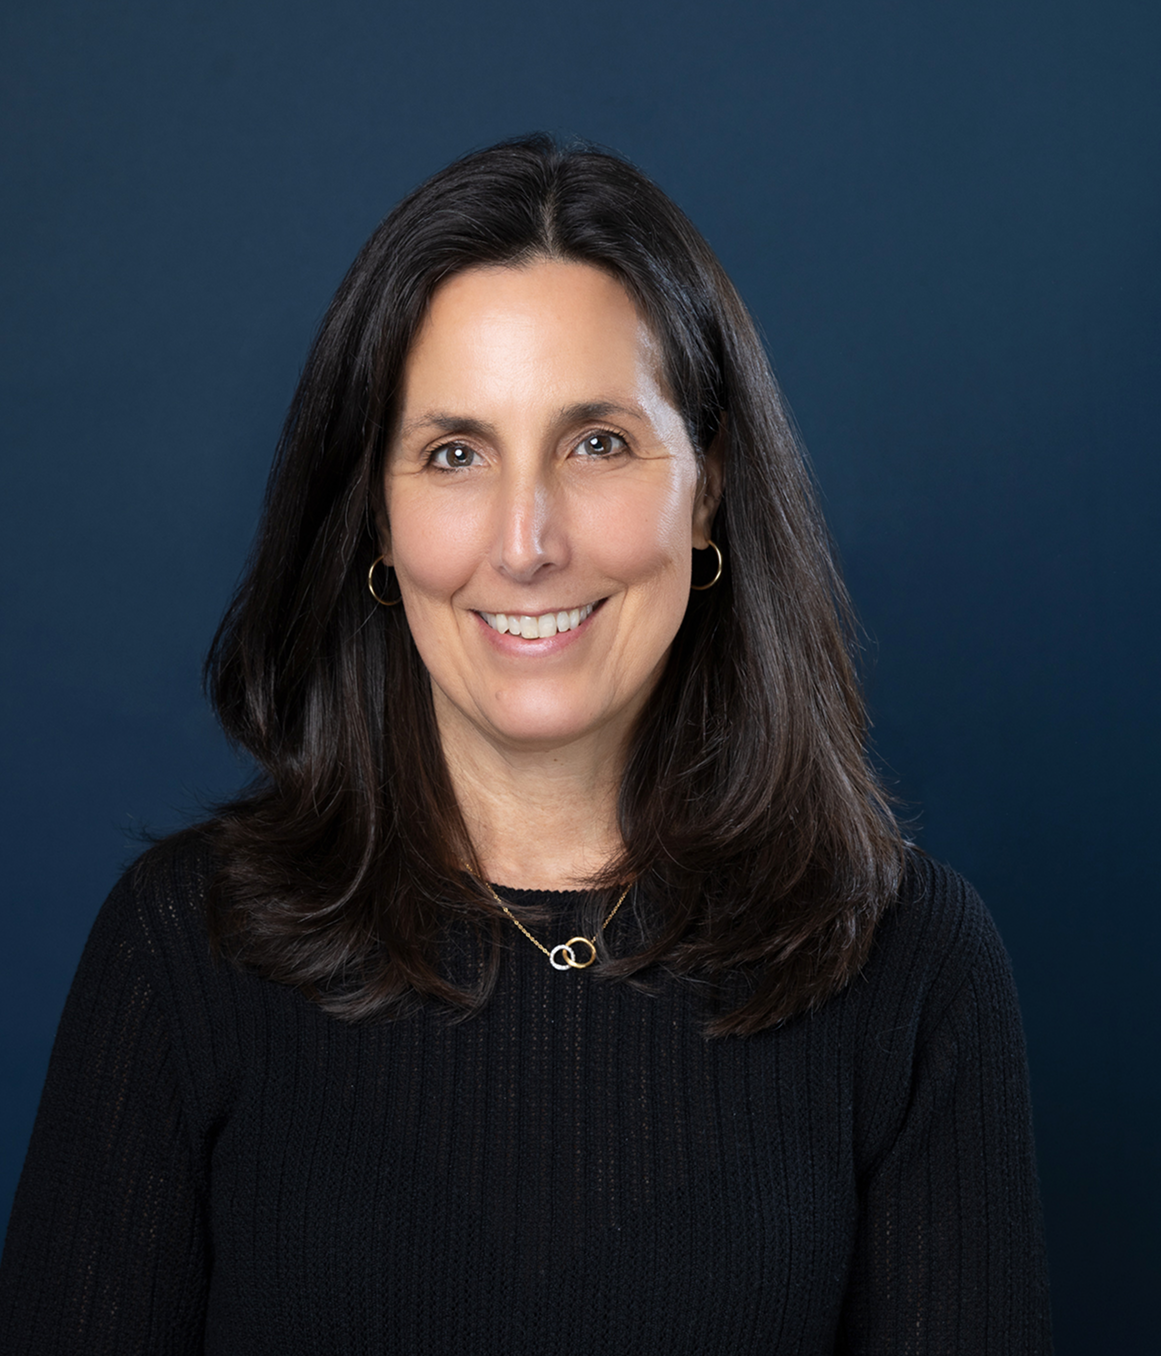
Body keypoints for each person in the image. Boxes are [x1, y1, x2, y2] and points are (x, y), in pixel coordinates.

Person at [0, 134, 1052, 1353]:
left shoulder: (911, 971)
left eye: (597, 442)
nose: (526, 541)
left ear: (707, 489)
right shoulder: (180, 953)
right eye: (455, 454)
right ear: (376, 523)